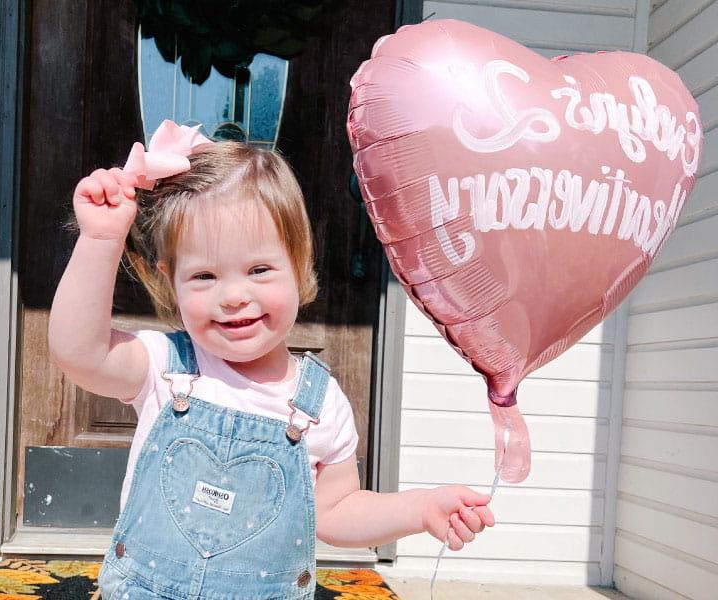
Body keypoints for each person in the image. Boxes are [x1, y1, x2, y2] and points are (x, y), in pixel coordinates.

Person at [48, 120, 495, 599]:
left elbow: (336, 510)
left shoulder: (319, 405)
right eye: (203, 276)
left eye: (259, 269)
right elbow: (80, 352)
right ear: (170, 279)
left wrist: (419, 509)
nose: (235, 296)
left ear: (299, 264)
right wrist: (100, 241)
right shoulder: (164, 367)